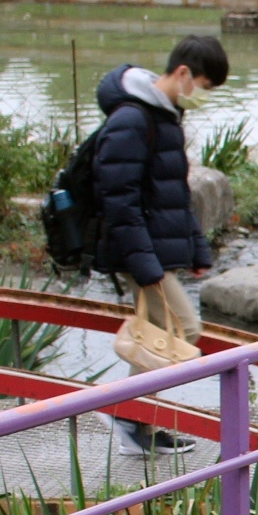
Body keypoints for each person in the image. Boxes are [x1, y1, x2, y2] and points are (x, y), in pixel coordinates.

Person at [92, 34, 228, 457]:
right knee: (184, 329)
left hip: (152, 248)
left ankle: (138, 422)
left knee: (159, 333)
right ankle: (126, 411)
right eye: (204, 87)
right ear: (183, 74)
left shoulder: (165, 116)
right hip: (138, 251)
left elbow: (173, 193)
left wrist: (196, 250)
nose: (202, 97)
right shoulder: (133, 119)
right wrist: (147, 266)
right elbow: (119, 201)